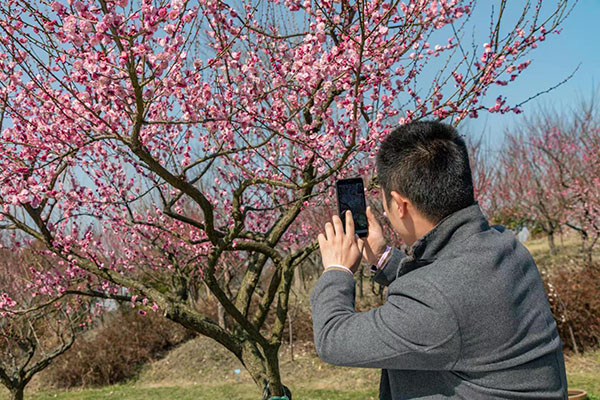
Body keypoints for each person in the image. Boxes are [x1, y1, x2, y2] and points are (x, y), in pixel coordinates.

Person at [310, 121, 567, 399]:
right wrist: (383, 258)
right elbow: (454, 291)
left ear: (400, 204)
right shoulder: (506, 247)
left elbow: (332, 339)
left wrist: (337, 270)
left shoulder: (437, 300)